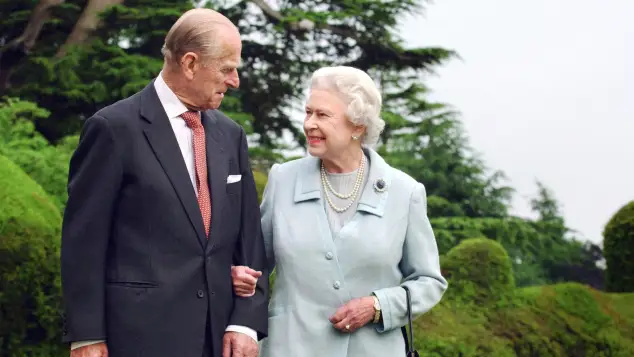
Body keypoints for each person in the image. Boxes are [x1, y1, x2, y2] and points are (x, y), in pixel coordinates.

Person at [60, 8, 268, 357]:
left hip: (218, 339)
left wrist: (244, 322)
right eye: (227, 69)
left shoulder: (231, 136)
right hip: (138, 337)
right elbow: (84, 241)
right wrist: (86, 335)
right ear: (189, 63)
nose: (234, 81)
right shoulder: (113, 129)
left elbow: (249, 240)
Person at [230, 66, 448, 357]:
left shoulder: (404, 192)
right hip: (291, 348)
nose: (309, 124)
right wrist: (236, 274)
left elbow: (428, 282)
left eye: (322, 115)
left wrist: (378, 306)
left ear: (357, 125)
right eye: (308, 113)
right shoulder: (283, 179)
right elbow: (254, 262)